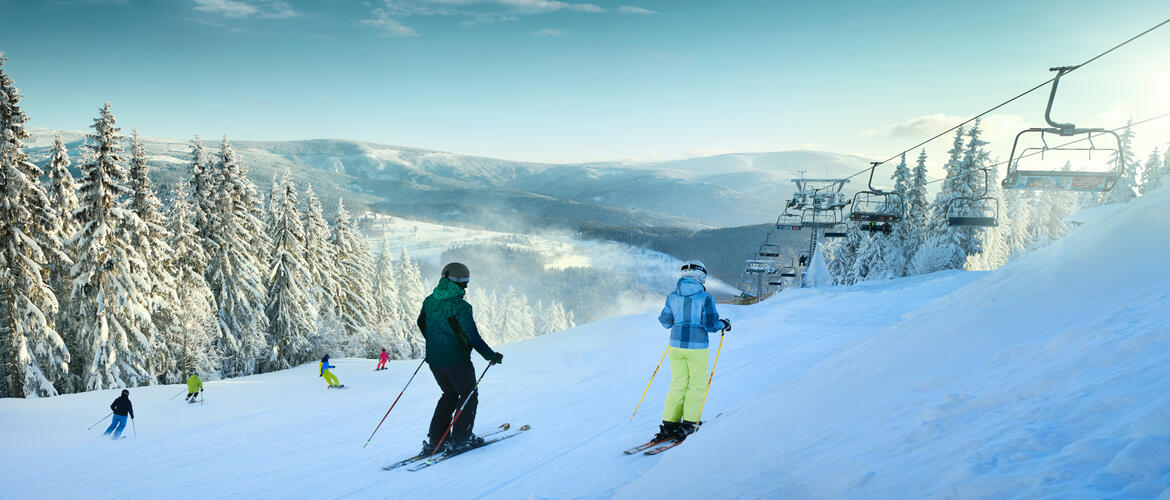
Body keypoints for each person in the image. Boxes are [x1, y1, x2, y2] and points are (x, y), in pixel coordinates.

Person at [416, 262, 503, 455]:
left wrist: (436, 342)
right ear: (461, 283)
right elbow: (472, 336)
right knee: (468, 395)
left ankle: (435, 441)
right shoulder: (461, 306)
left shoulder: (430, 300)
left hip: (434, 360)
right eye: (465, 283)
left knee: (449, 395)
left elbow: (421, 323)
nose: (466, 286)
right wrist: (491, 356)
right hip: (456, 361)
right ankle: (462, 439)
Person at [653, 260, 730, 441]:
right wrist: (724, 324)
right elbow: (710, 325)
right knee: (697, 384)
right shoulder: (705, 297)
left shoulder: (672, 296)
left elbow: (665, 322)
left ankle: (669, 425)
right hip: (697, 348)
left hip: (676, 346)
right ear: (701, 275)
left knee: (677, 383)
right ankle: (689, 423)